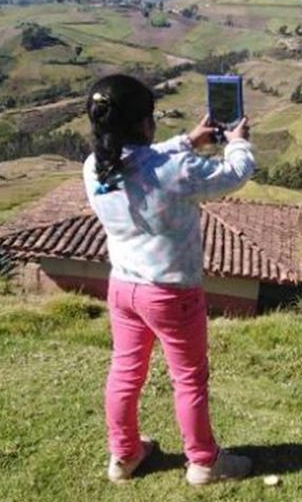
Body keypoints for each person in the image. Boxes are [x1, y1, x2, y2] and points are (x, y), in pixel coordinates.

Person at [81, 74, 254, 485]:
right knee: (189, 378)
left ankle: (124, 456)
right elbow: (234, 174)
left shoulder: (95, 167)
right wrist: (239, 141)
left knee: (125, 372)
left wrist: (188, 140)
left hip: (123, 287)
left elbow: (145, 160)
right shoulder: (174, 169)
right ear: (145, 124)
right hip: (171, 292)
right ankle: (204, 462)